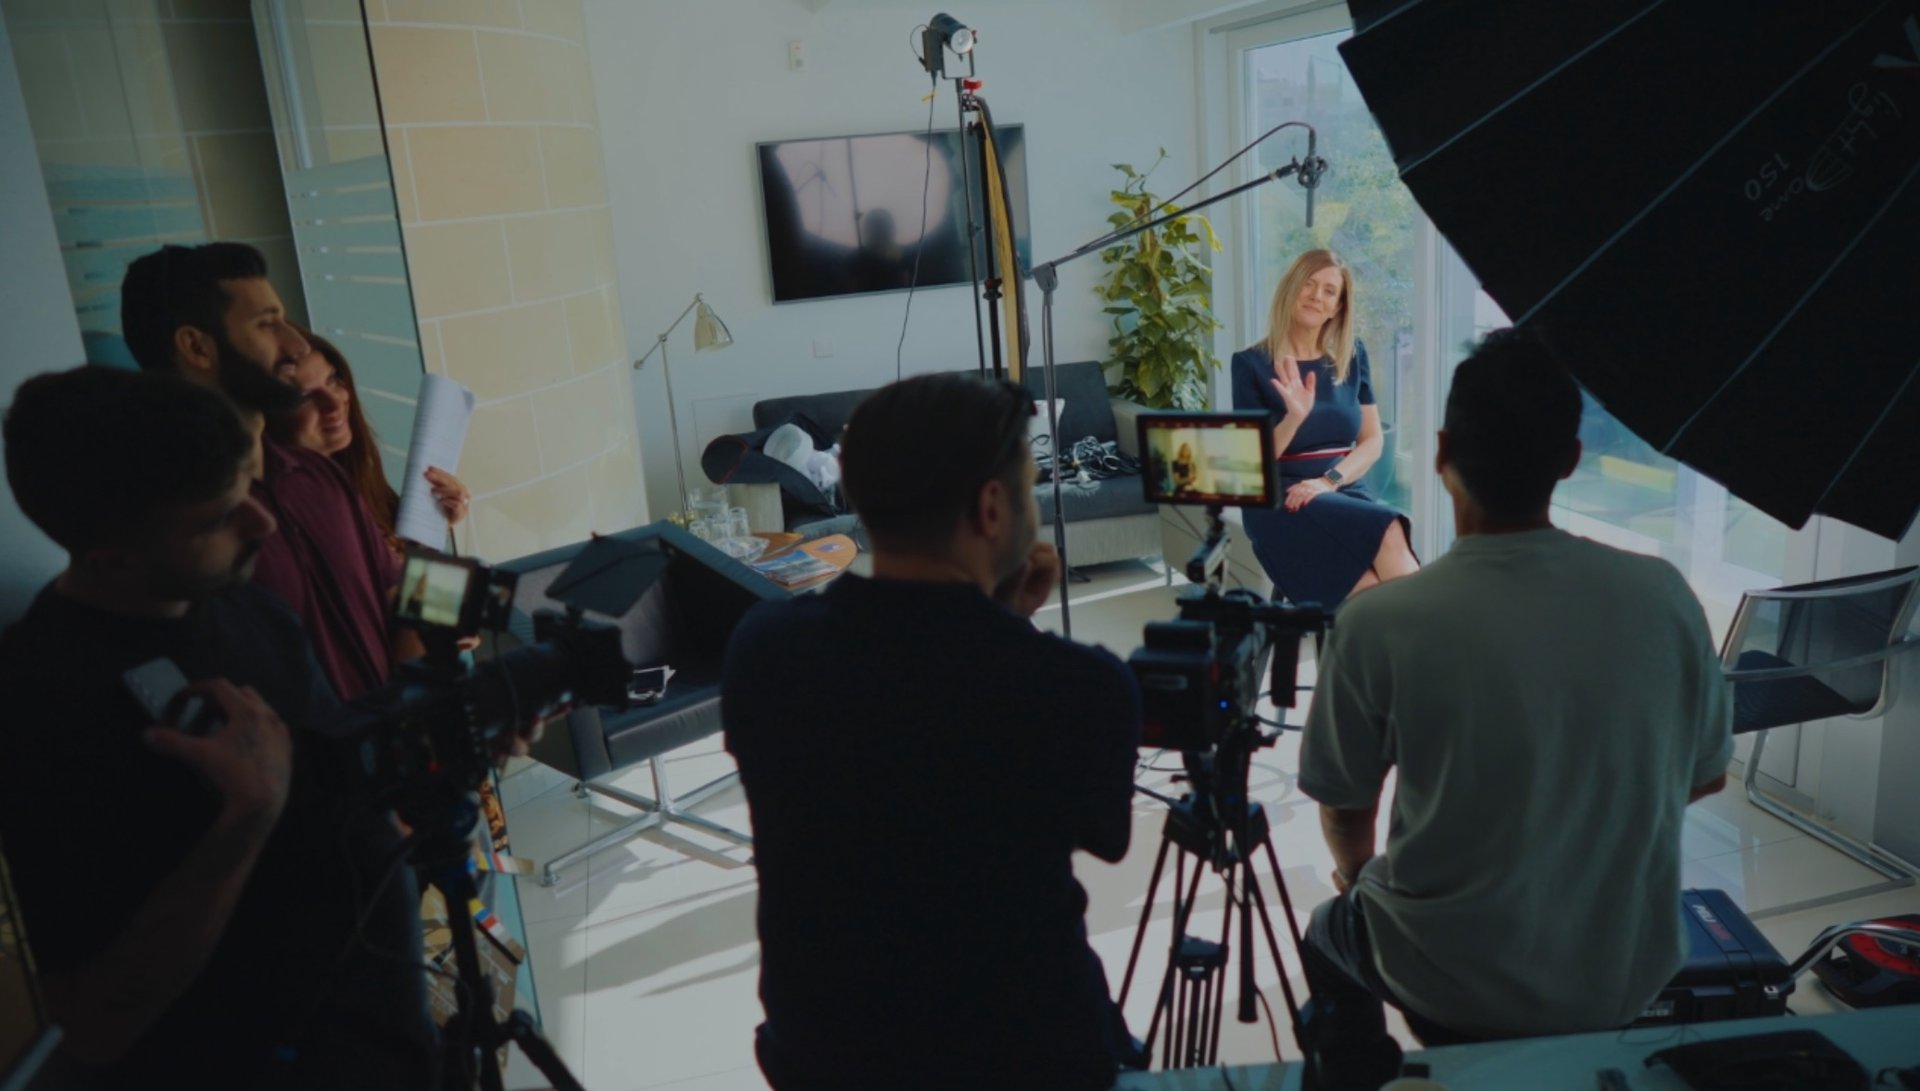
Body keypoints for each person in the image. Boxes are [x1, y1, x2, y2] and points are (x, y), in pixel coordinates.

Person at [1293, 329, 1734, 1081]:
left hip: (1447, 979)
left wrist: (1360, 875)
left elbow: (1342, 806)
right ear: (1569, 460)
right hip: (1621, 969)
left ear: (1442, 453)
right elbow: (1705, 773)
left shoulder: (1381, 621)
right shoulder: (1663, 594)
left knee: (1327, 929)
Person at [0, 366, 436, 1088]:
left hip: (388, 1042)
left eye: (248, 490)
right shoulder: (39, 707)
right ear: (113, 558)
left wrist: (444, 743)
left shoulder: (251, 607)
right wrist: (246, 817)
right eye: (217, 517)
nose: (263, 523)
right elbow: (95, 1024)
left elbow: (338, 781)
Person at [721, 374, 1141, 1091]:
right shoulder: (1077, 685)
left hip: (824, 1054)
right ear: (992, 507)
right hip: (1025, 1059)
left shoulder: (763, 649)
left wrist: (996, 621)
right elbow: (1104, 833)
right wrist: (1009, 625)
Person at [120, 242, 403, 700]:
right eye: (267, 324)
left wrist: (422, 700)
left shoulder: (321, 476)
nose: (297, 345)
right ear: (197, 347)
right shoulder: (170, 525)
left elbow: (399, 594)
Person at [1231, 249, 1418, 608]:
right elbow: (1254, 462)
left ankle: (1426, 639)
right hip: (1283, 496)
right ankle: (1435, 638)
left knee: (1385, 551)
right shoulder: (1250, 364)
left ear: (1337, 307)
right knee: (1380, 554)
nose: (1317, 296)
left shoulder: (1351, 355)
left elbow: (1372, 441)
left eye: (1330, 291)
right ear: (1291, 288)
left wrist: (1329, 480)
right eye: (1309, 284)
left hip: (1341, 486)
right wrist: (1294, 417)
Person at [273, 324, 471, 551]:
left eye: (332, 380)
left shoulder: (354, 472)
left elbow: (397, 561)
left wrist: (433, 523)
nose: (335, 402)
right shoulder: (295, 514)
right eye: (305, 396)